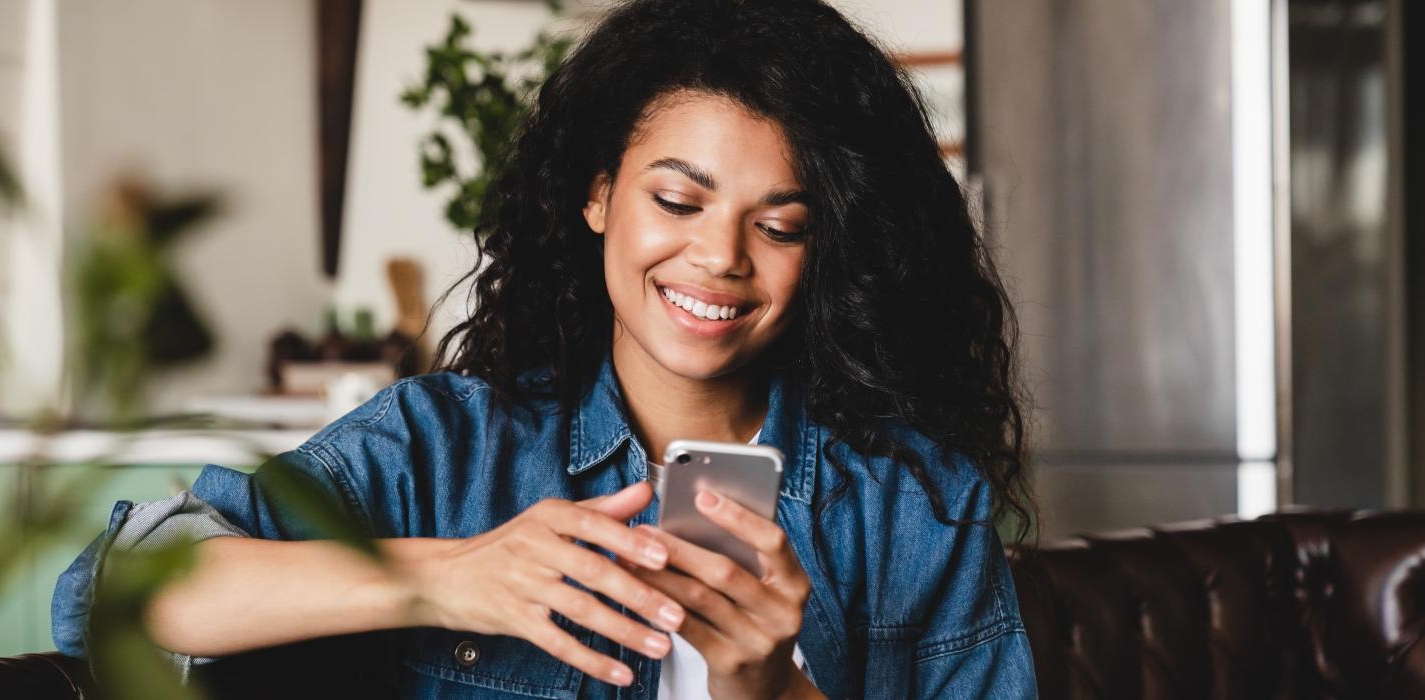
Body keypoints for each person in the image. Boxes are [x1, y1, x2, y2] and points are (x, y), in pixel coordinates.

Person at [52, 0, 1038, 697]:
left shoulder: (914, 506)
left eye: (780, 225)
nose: (720, 257)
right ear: (599, 193)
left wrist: (775, 693)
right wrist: (446, 575)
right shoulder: (439, 451)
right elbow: (120, 591)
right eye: (678, 200)